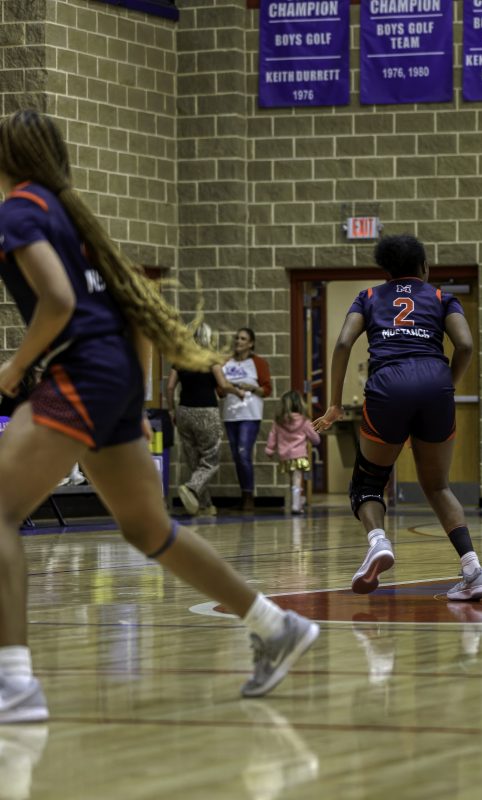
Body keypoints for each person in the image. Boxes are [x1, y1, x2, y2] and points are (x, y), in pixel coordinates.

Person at [0, 109, 318, 723]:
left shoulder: (18, 211)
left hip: (82, 371)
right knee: (149, 530)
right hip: (113, 374)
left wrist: (15, 368)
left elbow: (59, 301)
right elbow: (134, 309)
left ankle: (13, 684)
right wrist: (137, 405)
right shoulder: (72, 216)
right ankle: (273, 625)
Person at [313, 234, 482, 600]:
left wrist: (334, 403)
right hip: (435, 383)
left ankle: (378, 541)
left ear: (387, 270)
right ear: (424, 267)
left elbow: (344, 343)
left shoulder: (368, 296)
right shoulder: (442, 298)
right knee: (438, 486)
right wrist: (446, 385)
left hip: (388, 384)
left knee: (368, 482)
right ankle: (473, 569)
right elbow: (465, 344)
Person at [167, 322, 244, 516]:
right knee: (210, 459)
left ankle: (204, 505)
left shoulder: (181, 359)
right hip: (206, 412)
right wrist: (238, 392)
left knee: (194, 460)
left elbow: (169, 387)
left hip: (184, 412)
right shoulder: (211, 359)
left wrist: (171, 410)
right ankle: (191, 488)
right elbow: (223, 385)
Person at [222, 327, 272, 511]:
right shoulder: (227, 362)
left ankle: (249, 496)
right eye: (237, 338)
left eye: (243, 339)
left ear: (251, 343)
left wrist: (250, 388)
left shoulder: (258, 363)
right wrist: (229, 388)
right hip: (230, 414)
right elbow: (220, 389)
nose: (238, 341)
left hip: (250, 414)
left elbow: (267, 389)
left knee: (243, 454)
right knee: (236, 456)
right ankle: (244, 494)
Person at [266, 390, 319, 514]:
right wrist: (315, 439)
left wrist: (269, 450)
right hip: (299, 455)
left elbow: (272, 436)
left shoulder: (279, 421)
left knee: (292, 480)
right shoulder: (304, 421)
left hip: (285, 456)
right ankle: (296, 505)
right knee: (297, 479)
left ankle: (296, 501)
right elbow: (315, 438)